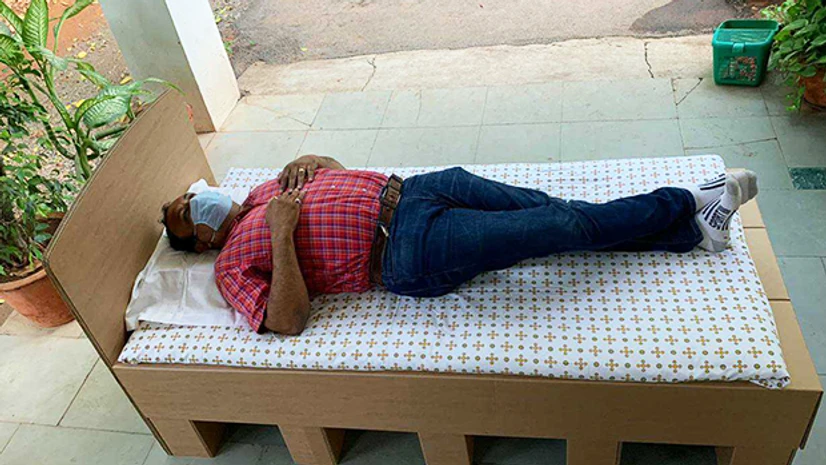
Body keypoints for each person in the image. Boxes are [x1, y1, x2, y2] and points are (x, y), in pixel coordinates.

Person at [161, 155, 757, 335]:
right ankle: (687, 200)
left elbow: (338, 177)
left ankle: (692, 232)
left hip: (418, 188)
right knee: (560, 227)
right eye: (187, 213)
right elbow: (287, 321)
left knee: (556, 213)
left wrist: (315, 162)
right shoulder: (231, 263)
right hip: (405, 249)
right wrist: (280, 232)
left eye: (188, 195)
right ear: (203, 240)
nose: (194, 199)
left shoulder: (266, 186)